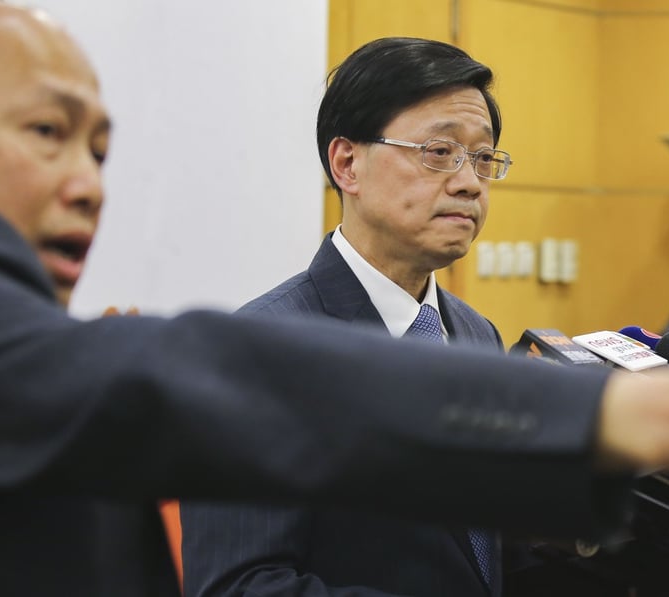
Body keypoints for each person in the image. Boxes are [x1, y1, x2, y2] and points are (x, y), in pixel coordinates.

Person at [0, 3, 669, 596]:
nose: (89, 180)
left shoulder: (478, 332)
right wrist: (634, 412)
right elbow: (220, 407)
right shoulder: (245, 341)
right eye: (47, 133)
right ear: (343, 163)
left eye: (101, 146)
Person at [181, 37, 514, 597]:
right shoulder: (259, 351)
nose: (469, 182)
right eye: (438, 152)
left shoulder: (478, 335)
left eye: (482, 158)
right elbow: (238, 585)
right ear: (347, 163)